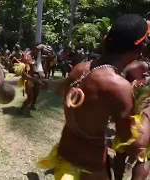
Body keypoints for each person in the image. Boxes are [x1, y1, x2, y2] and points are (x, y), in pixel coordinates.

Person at [39, 14, 150, 180]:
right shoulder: (118, 86)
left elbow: (58, 89)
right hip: (88, 170)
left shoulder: (80, 68)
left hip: (66, 158)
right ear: (139, 50)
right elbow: (134, 144)